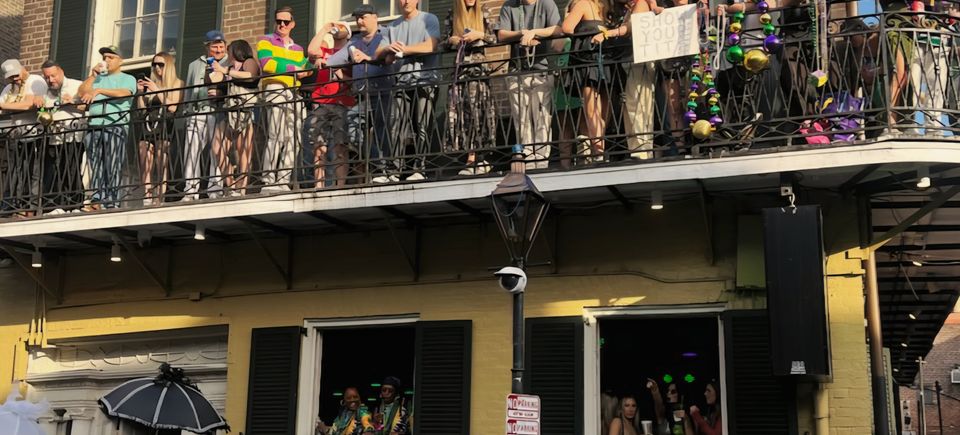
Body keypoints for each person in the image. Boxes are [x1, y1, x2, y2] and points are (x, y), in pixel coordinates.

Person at [374, 0, 441, 181]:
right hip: (401, 81)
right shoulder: (393, 25)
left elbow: (431, 45)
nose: (405, 1)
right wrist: (388, 48)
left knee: (422, 125)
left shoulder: (429, 18)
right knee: (396, 126)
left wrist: (404, 50)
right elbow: (379, 54)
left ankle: (421, 168)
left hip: (425, 80)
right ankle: (394, 171)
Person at [332, 5, 394, 183]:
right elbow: (332, 63)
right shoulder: (353, 42)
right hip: (362, 94)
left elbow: (394, 56)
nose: (359, 21)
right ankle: (380, 164)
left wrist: (370, 59)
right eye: (357, 18)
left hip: (384, 89)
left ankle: (384, 173)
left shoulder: (386, 34)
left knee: (383, 132)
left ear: (375, 17)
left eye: (363, 17)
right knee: (351, 129)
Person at [497, 0, 562, 169]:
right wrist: (521, 33)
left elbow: (557, 29)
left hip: (542, 69)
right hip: (516, 70)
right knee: (521, 118)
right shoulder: (509, 5)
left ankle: (540, 158)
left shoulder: (547, 4)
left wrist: (534, 32)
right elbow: (501, 34)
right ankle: (526, 156)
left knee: (541, 116)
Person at [257, 5, 311, 192]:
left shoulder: (298, 48)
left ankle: (283, 179)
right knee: (276, 134)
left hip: (293, 93)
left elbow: (307, 69)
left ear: (292, 24)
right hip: (275, 88)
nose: (281, 24)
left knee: (294, 136)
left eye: (285, 21)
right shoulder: (266, 40)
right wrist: (294, 68)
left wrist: (306, 64)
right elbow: (268, 64)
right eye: (278, 21)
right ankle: (268, 179)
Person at [78, 45, 137, 210]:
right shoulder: (97, 78)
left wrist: (99, 90)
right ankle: (97, 199)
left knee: (112, 163)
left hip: (114, 124)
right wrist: (92, 76)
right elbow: (82, 92)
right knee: (95, 163)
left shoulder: (127, 78)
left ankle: (110, 201)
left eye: (110, 57)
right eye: (105, 57)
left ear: (120, 60)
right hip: (94, 125)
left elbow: (125, 93)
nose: (106, 60)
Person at [444, 0, 497, 176]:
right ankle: (470, 158)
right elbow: (443, 43)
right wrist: (452, 39)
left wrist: (479, 35)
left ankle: (481, 158)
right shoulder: (453, 14)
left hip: (478, 70)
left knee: (479, 113)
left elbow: (495, 38)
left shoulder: (484, 12)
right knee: (462, 115)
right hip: (460, 72)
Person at [562, 0, 620, 163]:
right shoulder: (583, 4)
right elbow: (567, 27)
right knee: (591, 107)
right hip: (588, 61)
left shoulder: (607, 8)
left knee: (604, 109)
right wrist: (586, 38)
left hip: (605, 60)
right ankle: (598, 151)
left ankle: (599, 148)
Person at [305, 21, 356, 188]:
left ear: (348, 33)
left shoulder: (350, 51)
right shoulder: (324, 51)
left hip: (342, 102)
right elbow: (311, 50)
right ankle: (319, 185)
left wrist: (341, 76)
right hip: (321, 101)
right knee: (318, 145)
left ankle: (340, 184)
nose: (337, 26)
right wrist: (325, 28)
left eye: (342, 26)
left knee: (340, 145)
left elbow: (357, 79)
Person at [183, 30, 231, 201]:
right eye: (214, 46)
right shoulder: (194, 65)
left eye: (221, 46)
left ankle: (215, 189)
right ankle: (190, 190)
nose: (218, 50)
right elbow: (188, 89)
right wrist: (187, 111)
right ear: (207, 47)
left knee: (217, 150)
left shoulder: (229, 62)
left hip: (219, 110)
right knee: (191, 150)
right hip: (197, 110)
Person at [211, 40, 260, 196]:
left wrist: (226, 71)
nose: (227, 52)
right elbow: (219, 83)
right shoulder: (229, 67)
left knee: (243, 152)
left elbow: (250, 76)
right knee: (216, 148)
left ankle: (242, 188)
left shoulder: (249, 62)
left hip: (246, 112)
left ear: (237, 50)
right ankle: (230, 182)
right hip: (230, 112)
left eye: (229, 49)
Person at [36, 60, 86, 214]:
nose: (50, 80)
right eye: (47, 77)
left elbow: (89, 106)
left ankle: (74, 205)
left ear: (61, 71)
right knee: (51, 173)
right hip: (52, 137)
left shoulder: (78, 85)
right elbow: (41, 114)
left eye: (53, 76)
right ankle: (52, 206)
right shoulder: (45, 92)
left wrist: (73, 102)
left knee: (71, 170)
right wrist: (38, 104)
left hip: (73, 135)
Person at [0, 59, 48, 215]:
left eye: (16, 75)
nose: (15, 79)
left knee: (34, 171)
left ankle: (31, 206)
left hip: (35, 133)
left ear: (23, 68)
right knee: (16, 171)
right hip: (17, 135)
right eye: (10, 77)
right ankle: (13, 204)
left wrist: (4, 106)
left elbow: (27, 105)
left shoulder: (35, 81)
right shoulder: (9, 88)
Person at [136, 52, 183, 207]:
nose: (157, 68)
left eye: (160, 64)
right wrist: (140, 93)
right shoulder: (152, 83)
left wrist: (157, 90)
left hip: (165, 123)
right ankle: (147, 195)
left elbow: (172, 106)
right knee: (144, 154)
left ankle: (160, 197)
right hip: (149, 122)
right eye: (154, 64)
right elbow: (142, 109)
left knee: (161, 158)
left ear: (168, 66)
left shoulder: (176, 83)